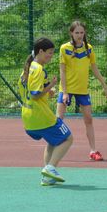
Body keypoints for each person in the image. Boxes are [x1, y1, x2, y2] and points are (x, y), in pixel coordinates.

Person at [18, 37, 73, 186]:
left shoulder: (27, 69)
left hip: (28, 118)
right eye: (49, 53)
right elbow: (35, 94)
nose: (51, 56)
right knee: (68, 138)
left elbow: (29, 91)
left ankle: (47, 177)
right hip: (42, 116)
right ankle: (50, 168)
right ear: (40, 51)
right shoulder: (39, 69)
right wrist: (51, 85)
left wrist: (47, 91)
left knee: (52, 141)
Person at [57, 21, 107, 161]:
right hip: (67, 89)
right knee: (59, 119)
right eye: (77, 33)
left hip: (82, 90)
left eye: (82, 32)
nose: (79, 35)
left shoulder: (89, 49)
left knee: (89, 119)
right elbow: (62, 71)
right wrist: (65, 92)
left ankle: (93, 150)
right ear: (71, 33)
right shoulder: (64, 48)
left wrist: (105, 86)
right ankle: (54, 148)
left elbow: (94, 68)